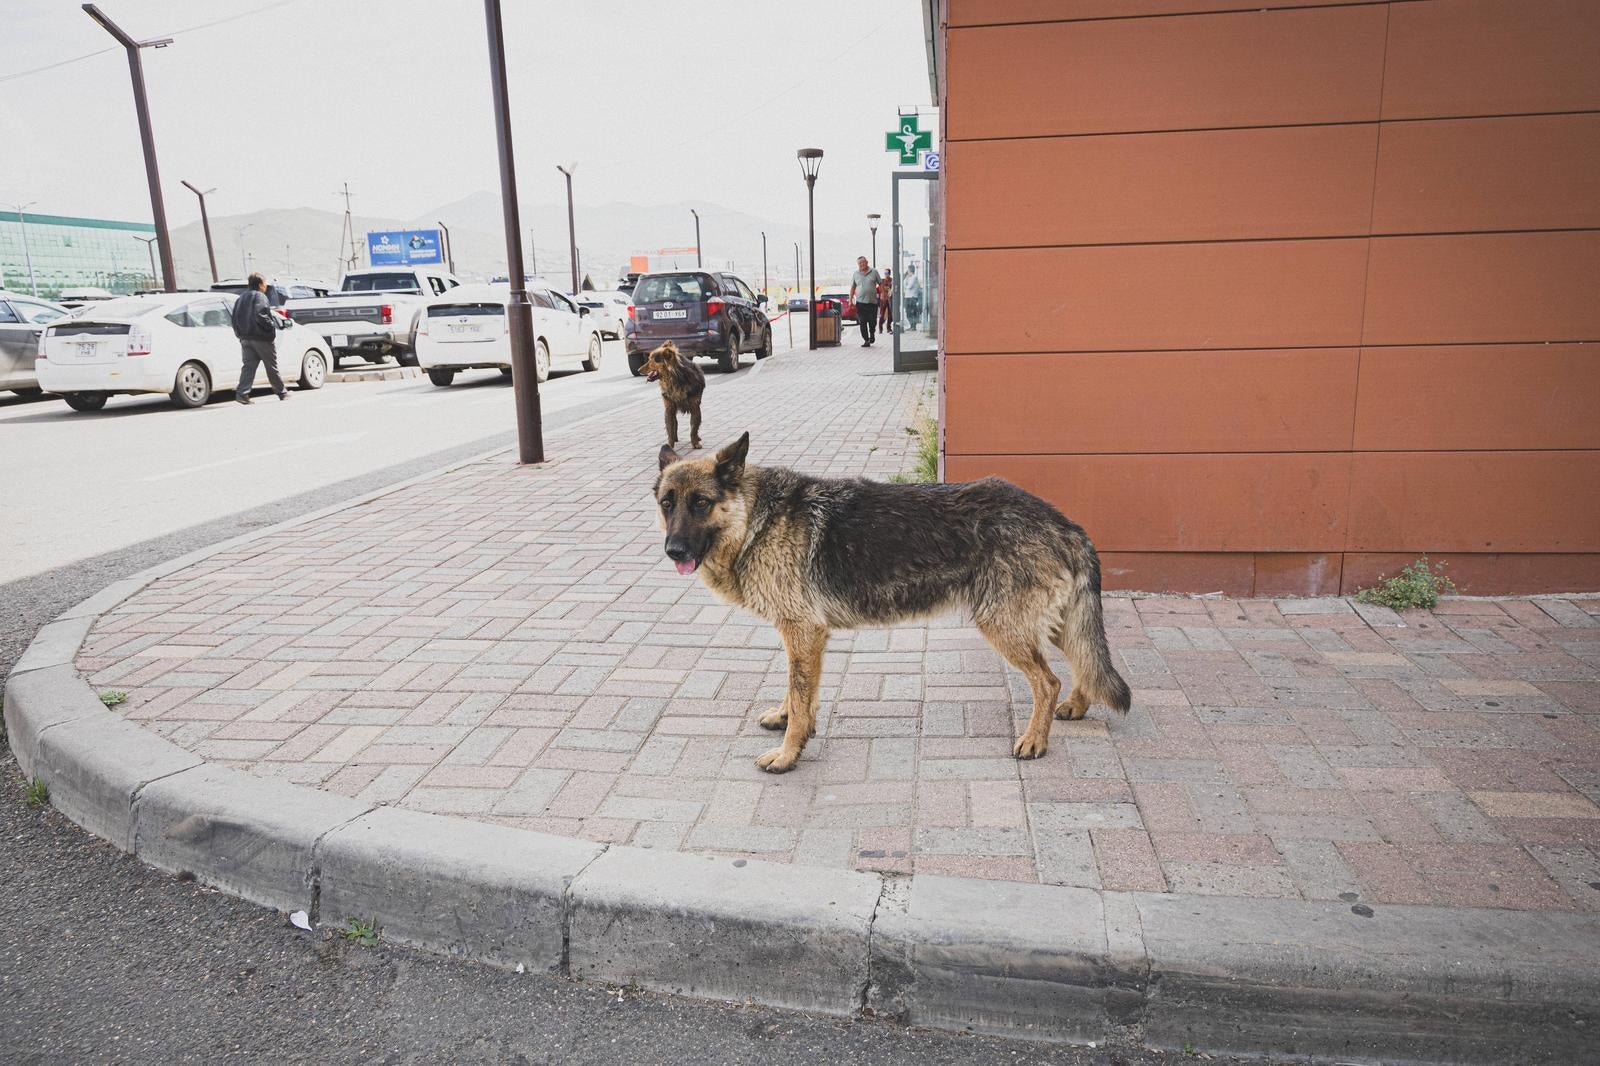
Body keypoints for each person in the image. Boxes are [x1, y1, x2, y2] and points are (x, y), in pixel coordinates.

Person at [230, 272, 288, 404]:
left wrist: (239, 334)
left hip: (245, 338)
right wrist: (271, 328)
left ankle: (242, 394)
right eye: (265, 283)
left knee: (248, 367)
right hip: (261, 337)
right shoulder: (260, 297)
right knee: (271, 366)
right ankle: (282, 392)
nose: (266, 286)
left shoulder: (240, 298)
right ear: (261, 284)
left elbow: (234, 318)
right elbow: (261, 315)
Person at [848, 256, 880, 347]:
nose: (861, 264)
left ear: (867, 262)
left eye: (863, 262)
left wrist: (882, 295)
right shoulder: (856, 274)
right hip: (860, 303)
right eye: (859, 263)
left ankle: (872, 334)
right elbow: (852, 287)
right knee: (862, 321)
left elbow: (880, 283)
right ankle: (866, 340)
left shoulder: (874, 272)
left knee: (872, 321)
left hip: (872, 302)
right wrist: (850, 300)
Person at [902, 264, 924, 331]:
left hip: (912, 297)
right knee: (908, 312)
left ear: (910, 270)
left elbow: (909, 286)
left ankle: (913, 326)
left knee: (912, 312)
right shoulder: (908, 277)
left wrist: (906, 285)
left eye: (908, 270)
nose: (907, 272)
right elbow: (903, 284)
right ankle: (911, 326)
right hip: (908, 297)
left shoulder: (914, 277)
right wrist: (905, 277)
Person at [877, 269, 894, 335]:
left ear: (889, 273)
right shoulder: (882, 281)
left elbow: (892, 288)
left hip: (890, 299)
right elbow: (879, 289)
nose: (885, 274)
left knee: (890, 315)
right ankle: (880, 329)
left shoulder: (892, 280)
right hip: (883, 299)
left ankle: (889, 328)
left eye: (887, 273)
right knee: (882, 314)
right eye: (884, 273)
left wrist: (887, 289)